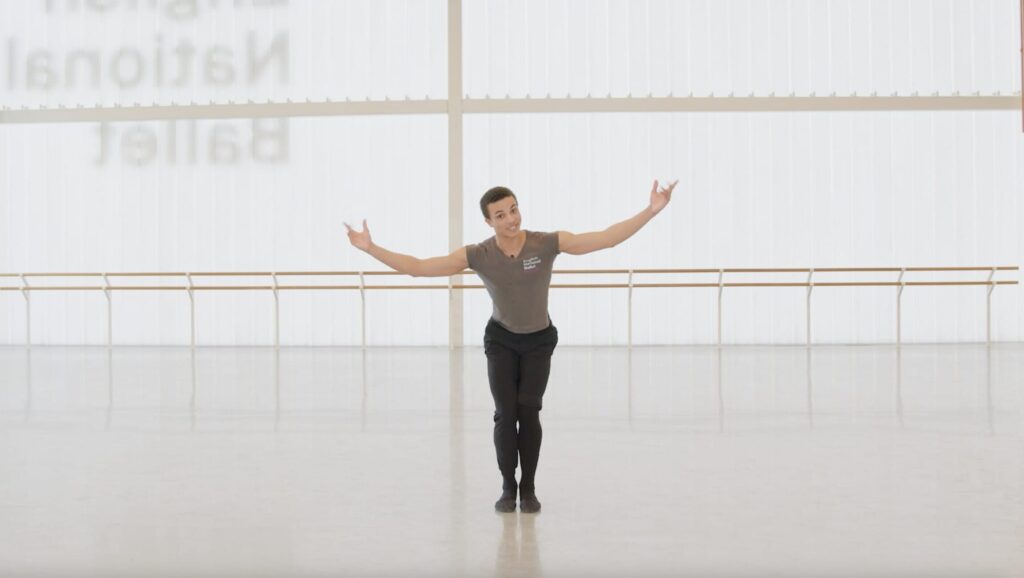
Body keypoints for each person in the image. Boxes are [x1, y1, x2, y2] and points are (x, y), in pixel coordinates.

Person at [344, 180, 677, 513]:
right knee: (505, 414)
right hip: (501, 340)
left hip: (538, 340)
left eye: (513, 209)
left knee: (529, 412)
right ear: (489, 222)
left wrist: (651, 211)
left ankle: (528, 488)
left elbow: (605, 239)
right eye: (500, 215)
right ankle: (508, 486)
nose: (510, 219)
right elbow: (419, 268)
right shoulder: (479, 254)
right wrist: (371, 248)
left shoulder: (545, 243)